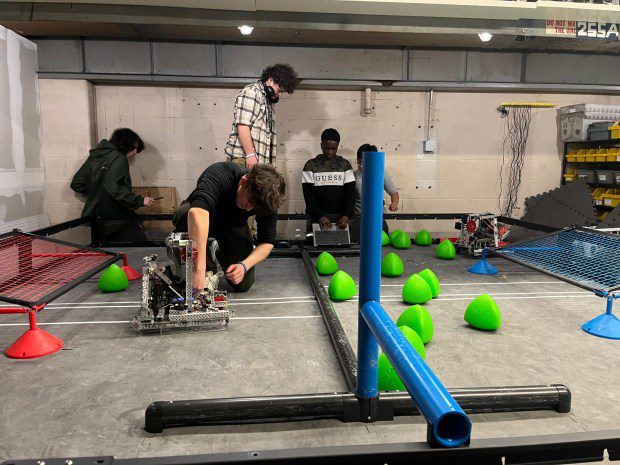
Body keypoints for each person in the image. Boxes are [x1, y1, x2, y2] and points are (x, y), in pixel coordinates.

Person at [173, 162, 286, 293]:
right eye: (249, 201)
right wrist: (199, 269)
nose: (249, 208)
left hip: (232, 226)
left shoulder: (268, 201)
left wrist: (244, 266)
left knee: (243, 284)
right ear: (244, 182)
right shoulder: (221, 173)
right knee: (186, 214)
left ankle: (218, 249)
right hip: (204, 218)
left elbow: (267, 243)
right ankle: (207, 264)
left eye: (254, 208)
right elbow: (198, 213)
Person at [70, 128, 155, 242]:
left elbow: (77, 183)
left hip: (95, 215)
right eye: (134, 147)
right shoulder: (119, 158)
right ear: (125, 144)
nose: (135, 152)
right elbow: (114, 188)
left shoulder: (96, 156)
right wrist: (140, 200)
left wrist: (97, 192)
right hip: (115, 216)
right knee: (140, 245)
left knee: (106, 251)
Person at [225, 63, 299, 169]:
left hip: (258, 160)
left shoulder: (268, 99)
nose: (280, 94)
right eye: (280, 90)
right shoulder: (252, 92)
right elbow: (243, 126)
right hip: (244, 159)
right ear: (270, 80)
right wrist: (250, 155)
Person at [302, 128, 356, 232]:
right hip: (317, 218)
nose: (330, 152)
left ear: (337, 147)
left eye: (334, 149)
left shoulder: (345, 165)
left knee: (342, 247)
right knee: (315, 247)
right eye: (327, 148)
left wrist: (347, 215)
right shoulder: (310, 165)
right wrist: (319, 216)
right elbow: (308, 194)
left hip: (341, 218)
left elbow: (351, 193)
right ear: (321, 145)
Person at [353, 143, 399, 234]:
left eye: (364, 162)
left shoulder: (381, 173)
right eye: (359, 162)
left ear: (373, 161)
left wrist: (394, 203)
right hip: (359, 218)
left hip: (378, 219)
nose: (361, 166)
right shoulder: (354, 175)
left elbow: (394, 193)